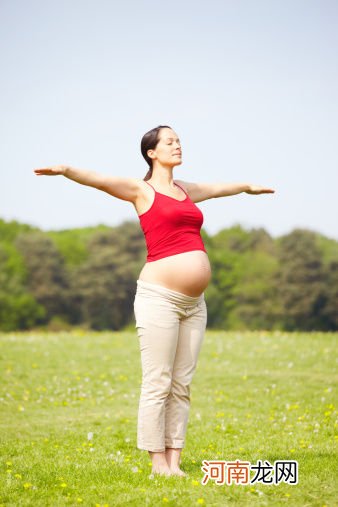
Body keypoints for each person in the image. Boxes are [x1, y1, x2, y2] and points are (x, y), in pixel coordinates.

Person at [34, 125, 275, 477]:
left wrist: (247, 187)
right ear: (151, 152)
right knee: (158, 381)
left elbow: (218, 188)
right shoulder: (140, 190)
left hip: (195, 304)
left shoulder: (185, 190)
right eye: (169, 142)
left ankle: (174, 462)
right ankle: (157, 464)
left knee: (182, 384)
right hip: (159, 298)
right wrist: (66, 170)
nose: (177, 146)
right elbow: (99, 179)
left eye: (179, 141)